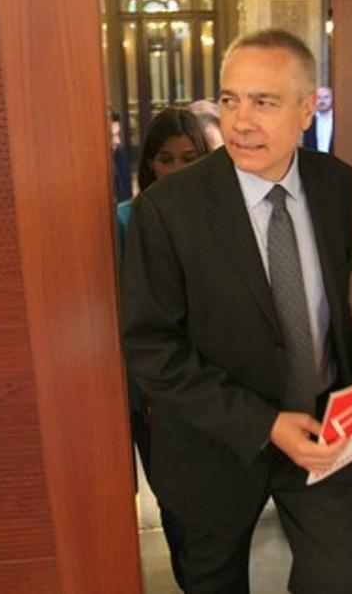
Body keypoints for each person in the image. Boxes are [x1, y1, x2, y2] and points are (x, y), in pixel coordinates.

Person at [121, 29, 352, 594]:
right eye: (230, 100)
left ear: (306, 110)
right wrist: (264, 424)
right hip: (215, 447)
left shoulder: (336, 185)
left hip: (322, 432)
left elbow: (332, 316)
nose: (241, 121)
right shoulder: (168, 210)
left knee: (342, 580)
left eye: (264, 102)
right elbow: (153, 349)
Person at [116, 106, 211, 591]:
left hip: (216, 386)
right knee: (175, 506)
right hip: (154, 398)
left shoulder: (221, 217)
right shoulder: (127, 221)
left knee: (216, 510)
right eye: (166, 159)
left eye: (190, 158)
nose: (177, 169)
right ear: (149, 163)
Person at [300, 86, 333, 154]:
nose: (322, 101)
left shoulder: (338, 121)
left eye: (326, 97)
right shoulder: (309, 121)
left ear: (332, 99)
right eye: (319, 98)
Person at [110, 110, 134, 202]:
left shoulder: (121, 155)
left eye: (118, 134)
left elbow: (127, 197)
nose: (117, 141)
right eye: (112, 136)